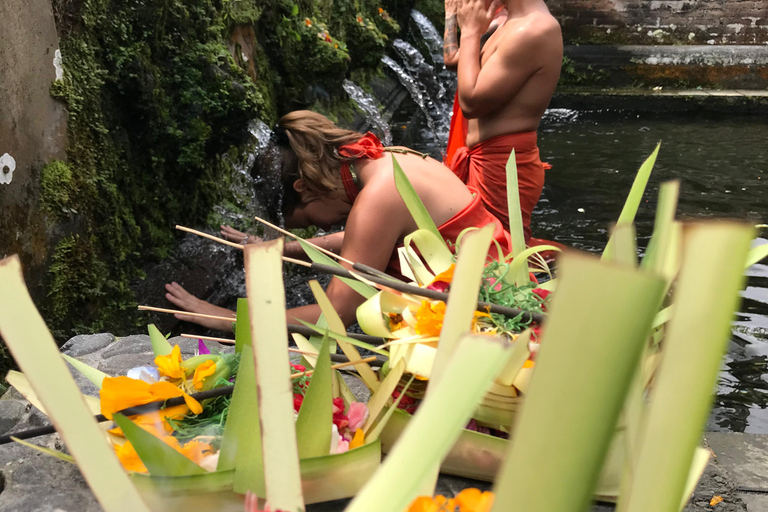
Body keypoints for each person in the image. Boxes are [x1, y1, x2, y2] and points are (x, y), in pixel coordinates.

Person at [165, 110, 512, 332]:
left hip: (491, 315)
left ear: (304, 188)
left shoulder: (377, 198)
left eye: (302, 222)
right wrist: (283, 249)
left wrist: (225, 318)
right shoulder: (384, 160)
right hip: (505, 278)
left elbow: (335, 315)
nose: (316, 229)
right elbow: (366, 239)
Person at [444, 0, 563, 242]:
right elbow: (454, 60)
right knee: (475, 251)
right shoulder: (508, 23)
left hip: (504, 166)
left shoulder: (533, 29)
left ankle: (590, 267)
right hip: (486, 159)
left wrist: (470, 32)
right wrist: (452, 18)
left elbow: (472, 103)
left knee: (497, 256)